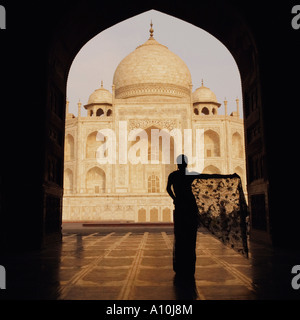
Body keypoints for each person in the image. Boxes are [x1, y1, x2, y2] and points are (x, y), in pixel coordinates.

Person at [166, 154, 199, 279]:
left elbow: (168, 188)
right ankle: (189, 267)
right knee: (191, 237)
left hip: (180, 206)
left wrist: (175, 198)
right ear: (186, 164)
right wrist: (229, 177)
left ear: (177, 164)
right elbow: (208, 177)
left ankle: (180, 266)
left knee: (180, 236)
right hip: (190, 205)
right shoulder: (190, 174)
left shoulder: (173, 175)